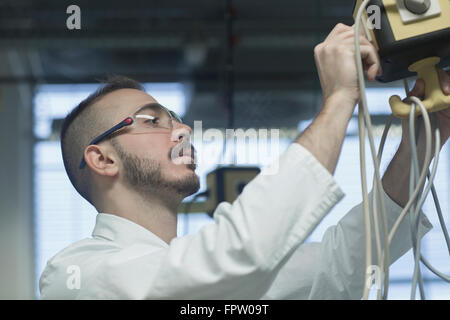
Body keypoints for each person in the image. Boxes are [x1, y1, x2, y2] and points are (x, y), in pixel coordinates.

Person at [39, 23, 450, 299]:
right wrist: (339, 100)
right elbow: (236, 257)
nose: (182, 131)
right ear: (102, 158)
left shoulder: (212, 272)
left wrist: (421, 143)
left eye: (177, 119)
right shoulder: (76, 276)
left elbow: (342, 265)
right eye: (152, 121)